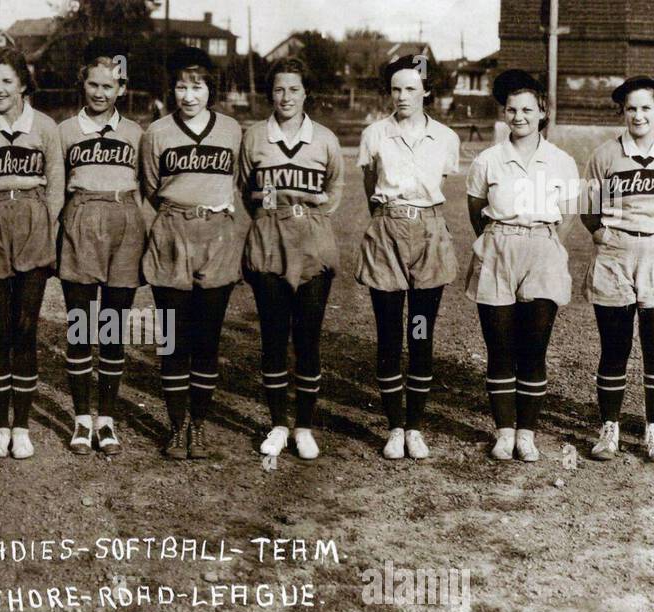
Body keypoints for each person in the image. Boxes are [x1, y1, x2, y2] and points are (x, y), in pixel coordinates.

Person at [465, 69, 580, 462]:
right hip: (498, 246)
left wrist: (541, 246)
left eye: (527, 109)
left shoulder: (561, 161)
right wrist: (503, 239)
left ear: (542, 112)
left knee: (533, 348)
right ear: (504, 113)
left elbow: (567, 215)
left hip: (544, 249)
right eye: (511, 109)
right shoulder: (488, 160)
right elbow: (476, 210)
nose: (519, 117)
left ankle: (527, 434)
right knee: (498, 347)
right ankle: (503, 432)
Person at [581, 76, 654, 462]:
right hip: (616, 251)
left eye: (646, 107)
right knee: (615, 348)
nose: (638, 115)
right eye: (631, 108)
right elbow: (588, 206)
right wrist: (601, 233)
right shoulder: (604, 155)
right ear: (623, 113)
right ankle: (609, 428)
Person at [140, 46, 245, 460]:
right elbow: (151, 186)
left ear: (209, 90)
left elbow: (237, 180)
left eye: (196, 86)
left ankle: (198, 427)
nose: (188, 96)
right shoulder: (157, 133)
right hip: (172, 231)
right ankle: (176, 425)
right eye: (181, 86)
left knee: (206, 337)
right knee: (172, 338)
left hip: (217, 233)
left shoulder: (232, 130)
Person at [0, 47, 64, 459]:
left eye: (7, 81)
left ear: (23, 84)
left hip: (33, 223)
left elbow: (54, 186)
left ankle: (22, 426)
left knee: (25, 328)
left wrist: (45, 226)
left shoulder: (45, 128)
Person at [239, 57, 344, 460]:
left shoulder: (325, 139)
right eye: (279, 89)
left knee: (308, 338)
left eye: (294, 89)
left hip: (313, 240)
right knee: (273, 337)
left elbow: (333, 191)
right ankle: (278, 423)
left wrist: (307, 215)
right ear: (271, 93)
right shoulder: (254, 137)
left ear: (306, 94)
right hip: (268, 237)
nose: (286, 97)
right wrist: (275, 214)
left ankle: (304, 426)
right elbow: (245, 187)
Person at [355, 54, 460, 461]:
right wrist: (388, 220)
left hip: (429, 236)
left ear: (425, 92)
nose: (402, 96)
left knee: (419, 331)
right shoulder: (374, 135)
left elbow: (442, 182)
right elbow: (369, 186)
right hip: (387, 233)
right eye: (396, 89)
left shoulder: (446, 138)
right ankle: (393, 426)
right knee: (388, 333)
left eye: (411, 89)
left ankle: (415, 426)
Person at [56, 42, 145, 456]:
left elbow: (151, 187)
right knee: (80, 324)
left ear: (121, 89)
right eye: (93, 84)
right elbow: (56, 190)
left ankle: (105, 419)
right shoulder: (65, 131)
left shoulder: (136, 133)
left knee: (111, 324)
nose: (99, 93)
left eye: (108, 86)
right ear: (82, 84)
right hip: (80, 219)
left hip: (123, 223)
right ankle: (79, 418)